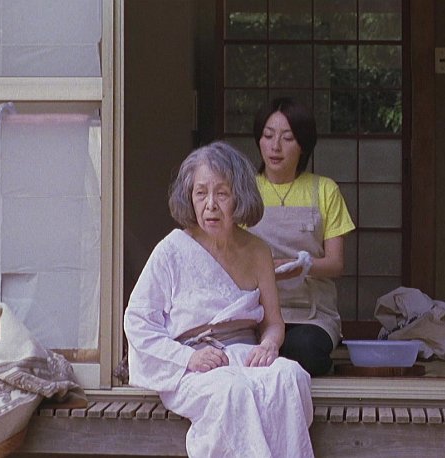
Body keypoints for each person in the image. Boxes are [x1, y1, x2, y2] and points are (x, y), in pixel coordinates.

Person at [124, 141, 314, 458]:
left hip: (244, 355)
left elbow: (273, 323)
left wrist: (269, 345)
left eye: (222, 194)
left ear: (239, 197)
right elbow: (138, 322)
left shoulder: (258, 251)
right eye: (201, 193)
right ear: (189, 196)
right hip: (190, 364)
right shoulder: (170, 251)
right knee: (232, 391)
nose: (210, 205)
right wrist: (189, 358)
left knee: (289, 377)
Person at [246, 97, 356, 377]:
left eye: (288, 138)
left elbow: (335, 264)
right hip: (254, 312)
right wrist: (263, 271)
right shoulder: (244, 190)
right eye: (268, 136)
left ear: (304, 144)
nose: (275, 146)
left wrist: (300, 266)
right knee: (244, 352)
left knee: (303, 349)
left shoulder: (325, 190)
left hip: (312, 315)